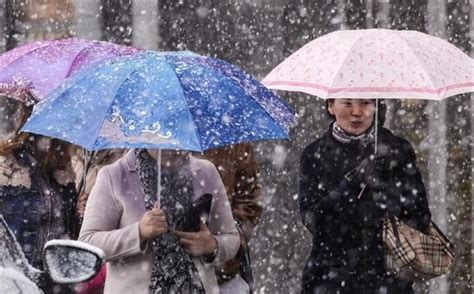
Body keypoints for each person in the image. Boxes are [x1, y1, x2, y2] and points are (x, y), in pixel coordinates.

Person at [299, 99, 431, 293]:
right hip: (329, 281)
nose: (357, 112)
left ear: (377, 106)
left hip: (388, 281)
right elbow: (313, 220)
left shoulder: (398, 150)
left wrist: (385, 194)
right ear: (330, 106)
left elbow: (420, 218)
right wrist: (354, 182)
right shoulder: (314, 154)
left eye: (366, 103)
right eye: (347, 103)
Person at [79, 148, 240, 294]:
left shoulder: (206, 171)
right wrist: (139, 232)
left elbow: (231, 238)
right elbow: (88, 244)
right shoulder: (113, 175)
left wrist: (212, 246)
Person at [0, 100, 80, 292]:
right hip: (16, 280)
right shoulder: (7, 165)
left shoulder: (62, 171)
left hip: (56, 283)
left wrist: (82, 212)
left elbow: (70, 236)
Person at [199, 143, 262, 293]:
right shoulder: (153, 137)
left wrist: (226, 235)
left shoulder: (234, 142)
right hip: (165, 272)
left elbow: (250, 201)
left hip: (223, 273)